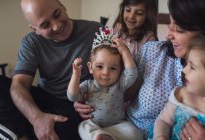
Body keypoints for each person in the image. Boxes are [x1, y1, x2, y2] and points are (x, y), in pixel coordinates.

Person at [74, 0, 205, 139]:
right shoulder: (153, 51)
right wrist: (87, 96)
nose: (168, 35)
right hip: (126, 131)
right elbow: (119, 89)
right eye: (169, 25)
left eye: (179, 29)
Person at [0, 0, 102, 139]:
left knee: (57, 130)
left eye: (57, 14)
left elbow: (114, 73)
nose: (57, 26)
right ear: (35, 29)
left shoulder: (96, 31)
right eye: (45, 25)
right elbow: (19, 85)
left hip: (78, 104)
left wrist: (91, 100)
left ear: (63, 6)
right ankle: (22, 135)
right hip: (46, 97)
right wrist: (36, 118)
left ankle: (25, 128)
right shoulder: (31, 42)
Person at [67, 27, 142, 140]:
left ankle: (108, 137)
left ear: (120, 70)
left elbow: (132, 73)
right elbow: (72, 97)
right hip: (95, 126)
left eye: (113, 68)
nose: (105, 73)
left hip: (117, 126)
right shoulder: (87, 85)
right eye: (99, 67)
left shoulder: (120, 84)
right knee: (83, 126)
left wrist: (125, 52)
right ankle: (99, 136)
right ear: (90, 67)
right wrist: (75, 75)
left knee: (135, 133)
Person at [153, 35, 205, 140]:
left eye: (192, 67)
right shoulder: (181, 94)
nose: (184, 70)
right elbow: (163, 121)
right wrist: (161, 137)